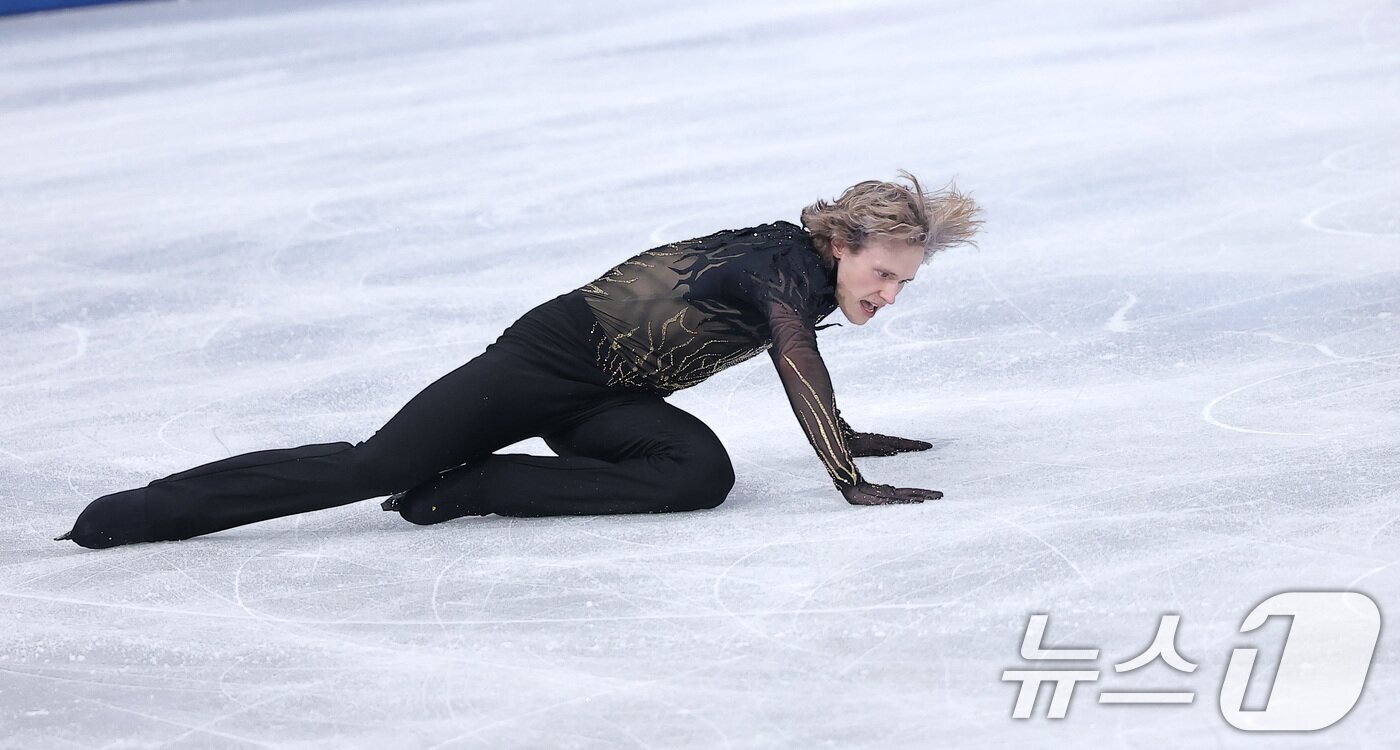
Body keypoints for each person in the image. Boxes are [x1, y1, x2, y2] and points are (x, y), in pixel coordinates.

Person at [57, 172, 983, 549]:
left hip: (609, 395)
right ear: (841, 243)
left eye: (904, 282)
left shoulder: (812, 273)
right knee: (371, 466)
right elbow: (796, 363)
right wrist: (848, 475)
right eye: (883, 274)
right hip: (543, 363)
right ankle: (129, 516)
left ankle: (474, 487)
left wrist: (847, 434)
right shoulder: (784, 270)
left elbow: (801, 360)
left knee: (697, 473)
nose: (889, 295)